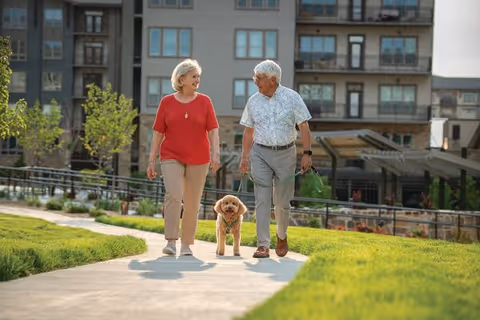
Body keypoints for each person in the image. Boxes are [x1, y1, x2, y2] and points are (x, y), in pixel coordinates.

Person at [239, 60, 313, 258]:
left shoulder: (292, 98)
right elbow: (248, 131)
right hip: (260, 153)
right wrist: (245, 156)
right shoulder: (253, 101)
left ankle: (282, 235)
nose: (255, 81)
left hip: (286, 154)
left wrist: (307, 153)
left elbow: (304, 127)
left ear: (273, 79)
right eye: (255, 77)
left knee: (282, 201)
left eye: (259, 78)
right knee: (262, 199)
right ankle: (263, 244)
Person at [147, 59, 221, 256]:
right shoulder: (166, 102)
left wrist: (216, 153)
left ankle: (187, 244)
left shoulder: (205, 101)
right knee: (173, 194)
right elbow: (157, 133)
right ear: (182, 78)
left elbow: (213, 130)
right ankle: (171, 241)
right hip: (171, 155)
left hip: (199, 157)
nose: (198, 80)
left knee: (192, 201)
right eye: (194, 76)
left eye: (198, 76)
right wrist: (151, 160)